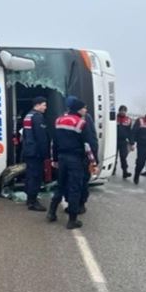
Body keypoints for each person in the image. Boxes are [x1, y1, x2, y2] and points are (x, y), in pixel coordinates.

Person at [50, 98, 95, 229]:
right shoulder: (81, 123)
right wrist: (93, 162)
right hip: (76, 160)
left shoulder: (58, 120)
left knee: (60, 186)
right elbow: (87, 145)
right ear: (78, 109)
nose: (86, 110)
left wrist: (54, 160)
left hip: (62, 158)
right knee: (75, 188)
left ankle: (51, 213)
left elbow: (54, 143)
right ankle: (72, 220)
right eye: (84, 108)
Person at [21, 96, 49, 211]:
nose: (45, 108)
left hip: (28, 150)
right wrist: (46, 154)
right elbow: (41, 137)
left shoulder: (28, 115)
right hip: (36, 152)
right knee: (35, 176)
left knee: (30, 175)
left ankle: (29, 199)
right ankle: (33, 202)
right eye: (44, 105)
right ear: (37, 105)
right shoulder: (37, 117)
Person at [116, 105, 133, 179]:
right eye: (121, 110)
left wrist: (131, 143)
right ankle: (112, 170)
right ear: (119, 111)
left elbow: (130, 132)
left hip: (123, 141)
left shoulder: (128, 120)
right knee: (114, 157)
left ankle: (125, 172)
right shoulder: (114, 118)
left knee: (123, 156)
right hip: (114, 140)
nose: (122, 112)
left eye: (124, 110)